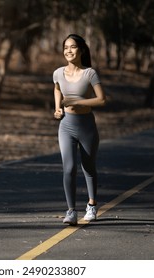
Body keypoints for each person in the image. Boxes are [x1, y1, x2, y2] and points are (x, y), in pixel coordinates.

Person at [53, 34, 106, 226]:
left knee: (88, 167)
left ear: (81, 50)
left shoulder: (90, 73)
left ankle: (91, 205)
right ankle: (71, 211)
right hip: (66, 125)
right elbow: (57, 88)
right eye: (65, 47)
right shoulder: (58, 73)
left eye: (73, 47)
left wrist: (76, 101)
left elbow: (101, 99)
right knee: (69, 168)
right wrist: (58, 108)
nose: (68, 50)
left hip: (86, 126)